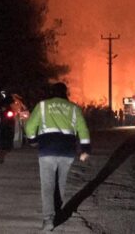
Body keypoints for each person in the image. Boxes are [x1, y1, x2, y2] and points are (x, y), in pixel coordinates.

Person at [24, 82, 90, 231]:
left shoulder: (43, 106)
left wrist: (33, 140)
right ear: (66, 93)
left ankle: (48, 219)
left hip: (47, 149)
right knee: (61, 182)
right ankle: (58, 211)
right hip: (67, 151)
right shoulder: (74, 108)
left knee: (47, 185)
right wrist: (85, 149)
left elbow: (29, 127)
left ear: (51, 93)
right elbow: (83, 130)